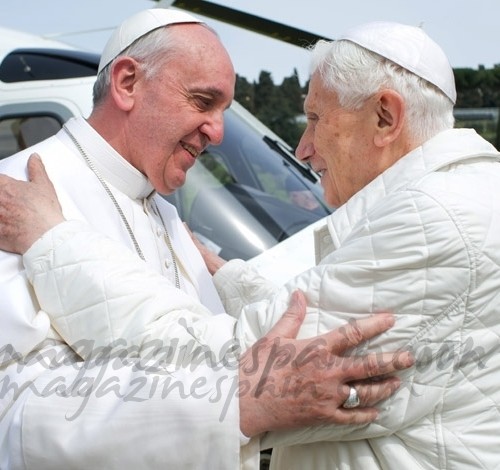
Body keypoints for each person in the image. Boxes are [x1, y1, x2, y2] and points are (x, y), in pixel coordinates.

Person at [2, 19, 498, 469]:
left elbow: (235, 358)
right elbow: (17, 414)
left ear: (386, 118)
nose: (302, 148)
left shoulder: (438, 218)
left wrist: (55, 242)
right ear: (128, 83)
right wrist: (227, 281)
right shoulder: (16, 194)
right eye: (202, 102)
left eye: (315, 118)